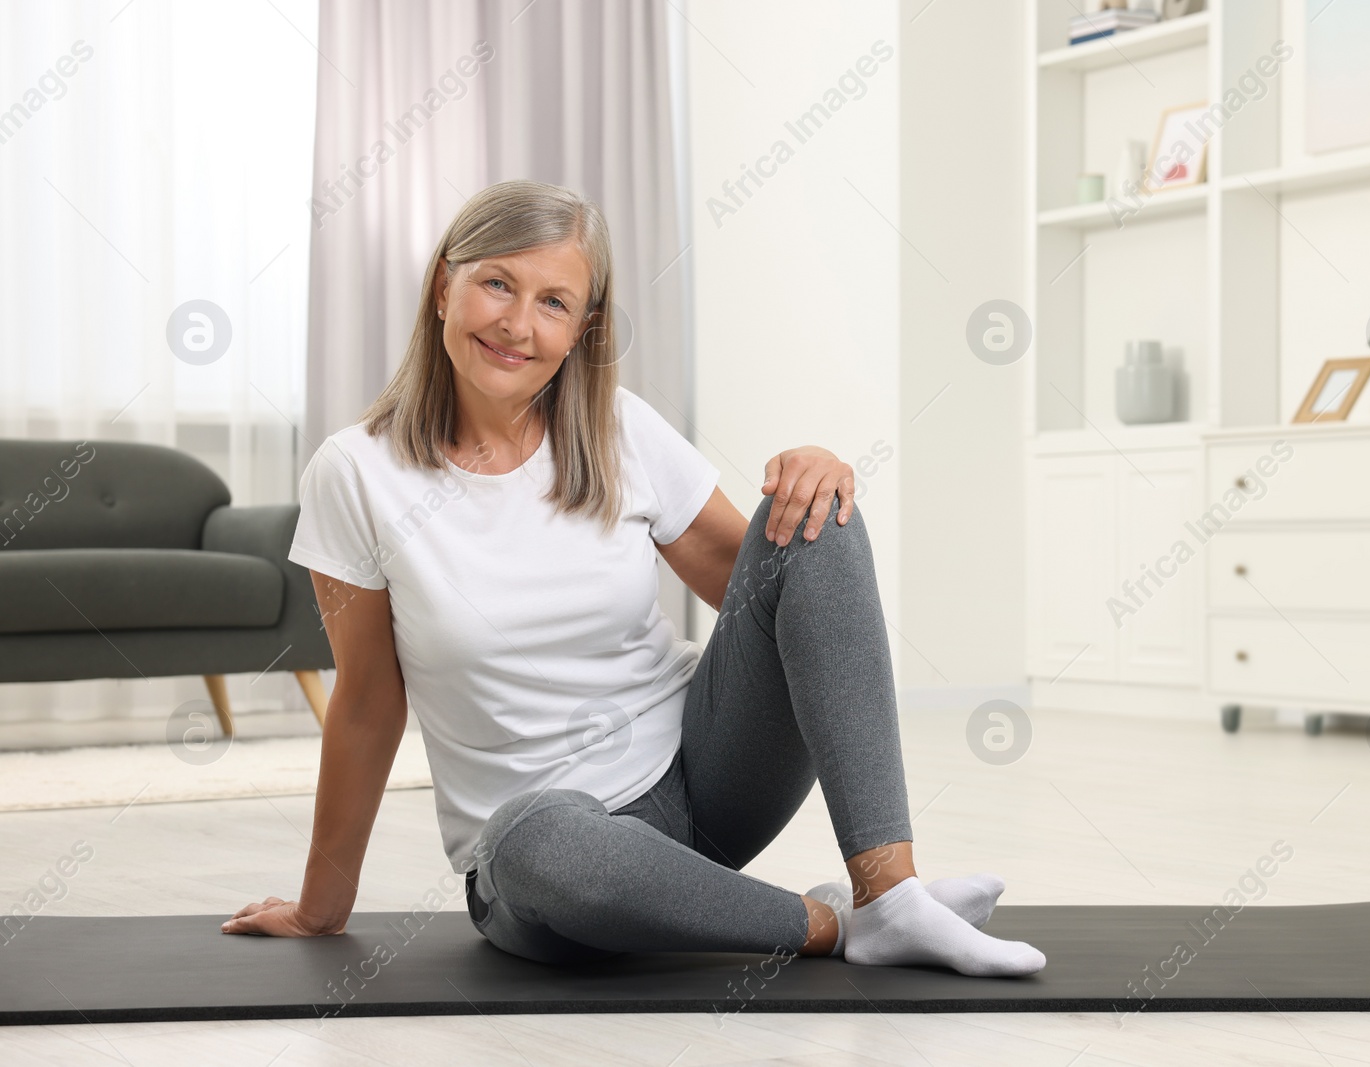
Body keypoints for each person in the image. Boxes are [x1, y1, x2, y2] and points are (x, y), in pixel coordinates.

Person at [223, 180, 1044, 977]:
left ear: (584, 327)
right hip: (547, 856)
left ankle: (890, 894)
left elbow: (766, 586)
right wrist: (321, 908)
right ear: (445, 288)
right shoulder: (355, 472)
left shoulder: (617, 428)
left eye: (553, 302)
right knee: (539, 837)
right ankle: (837, 925)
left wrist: (813, 474)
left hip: (703, 782)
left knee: (817, 516)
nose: (516, 323)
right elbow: (367, 702)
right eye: (497, 284)